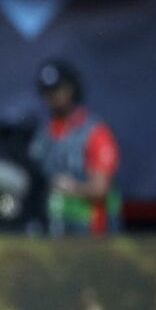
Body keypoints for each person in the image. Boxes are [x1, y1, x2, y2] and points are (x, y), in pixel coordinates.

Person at [29, 59, 121, 236]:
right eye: (47, 91)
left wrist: (72, 187)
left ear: (72, 88)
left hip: (94, 234)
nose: (53, 96)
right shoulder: (42, 135)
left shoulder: (95, 133)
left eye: (58, 89)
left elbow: (100, 189)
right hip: (55, 234)